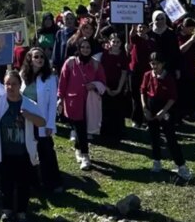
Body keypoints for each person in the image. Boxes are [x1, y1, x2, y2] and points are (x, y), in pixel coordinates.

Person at [0, 69, 45, 222]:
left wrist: (29, 116)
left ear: (20, 85)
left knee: (23, 183)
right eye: (7, 84)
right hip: (5, 151)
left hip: (23, 152)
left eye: (14, 84)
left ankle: (22, 211)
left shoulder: (29, 103)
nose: (10, 87)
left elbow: (42, 122)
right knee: (6, 183)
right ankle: (7, 209)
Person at [140, 52, 192, 179]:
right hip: (151, 107)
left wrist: (163, 112)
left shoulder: (168, 77)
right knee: (154, 136)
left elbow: (172, 97)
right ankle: (156, 161)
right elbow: (143, 91)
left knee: (170, 137)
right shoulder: (147, 75)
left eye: (157, 64)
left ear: (162, 64)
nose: (154, 66)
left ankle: (181, 165)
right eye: (152, 63)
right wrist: (144, 107)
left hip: (165, 108)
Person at [57, 39, 106, 170]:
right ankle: (85, 155)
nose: (85, 50)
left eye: (88, 47)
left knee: (83, 129)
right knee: (80, 128)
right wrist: (60, 98)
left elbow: (102, 82)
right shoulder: (70, 62)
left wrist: (94, 85)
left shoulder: (96, 64)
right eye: (83, 47)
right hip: (73, 102)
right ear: (78, 48)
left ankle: (78, 148)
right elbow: (62, 81)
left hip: (90, 102)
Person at [21, 48, 62, 194]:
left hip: (42, 120)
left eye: (42, 57)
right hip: (26, 119)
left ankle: (53, 182)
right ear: (30, 59)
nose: (39, 59)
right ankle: (33, 183)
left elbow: (52, 103)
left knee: (46, 151)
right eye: (36, 57)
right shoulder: (22, 75)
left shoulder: (50, 78)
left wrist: (50, 124)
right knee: (28, 152)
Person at [100, 33, 129, 146]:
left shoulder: (123, 56)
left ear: (121, 43)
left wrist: (119, 89)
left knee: (118, 110)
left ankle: (118, 132)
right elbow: (101, 72)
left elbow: (124, 73)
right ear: (110, 42)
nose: (115, 44)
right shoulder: (105, 54)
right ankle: (106, 132)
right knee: (106, 109)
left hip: (118, 85)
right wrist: (106, 87)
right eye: (113, 41)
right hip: (106, 84)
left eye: (118, 42)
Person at [177, 18, 195, 121]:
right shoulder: (178, 36)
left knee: (191, 90)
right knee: (183, 90)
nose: (192, 31)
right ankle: (184, 111)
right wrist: (190, 41)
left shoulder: (192, 36)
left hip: (191, 66)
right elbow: (181, 50)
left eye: (193, 29)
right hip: (182, 66)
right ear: (183, 27)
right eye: (190, 29)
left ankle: (193, 110)